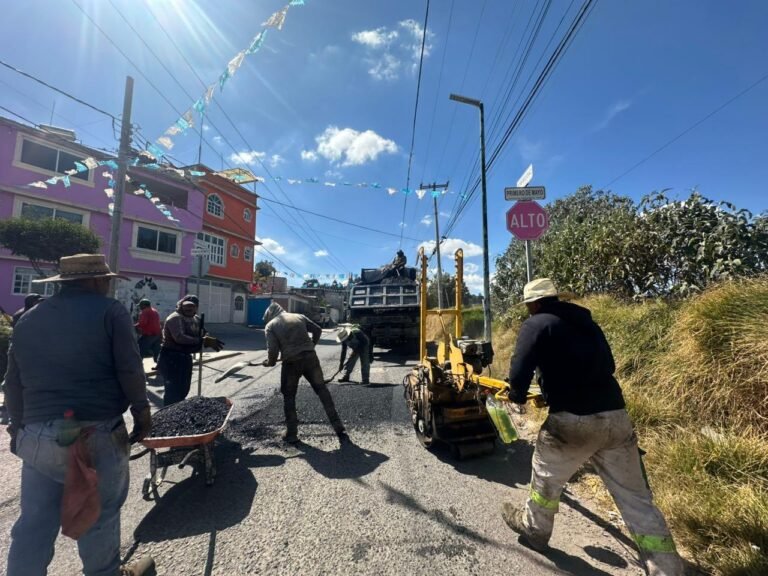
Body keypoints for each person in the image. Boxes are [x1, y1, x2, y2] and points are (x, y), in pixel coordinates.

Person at [500, 278, 682, 576]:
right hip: (615, 417)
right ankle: (667, 568)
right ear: (557, 298)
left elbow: (520, 368)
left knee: (546, 477)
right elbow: (608, 365)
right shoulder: (588, 324)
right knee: (636, 499)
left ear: (533, 303)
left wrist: (517, 394)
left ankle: (535, 531)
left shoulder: (536, 324)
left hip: (573, 422)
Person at [4, 253, 153, 576]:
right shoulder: (111, 312)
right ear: (98, 280)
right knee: (99, 515)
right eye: (106, 281)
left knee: (34, 521)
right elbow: (129, 368)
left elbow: (12, 381)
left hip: (38, 435)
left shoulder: (29, 317)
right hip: (95, 433)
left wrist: (17, 428)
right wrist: (142, 411)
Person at [261, 302, 347, 444]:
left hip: (291, 363)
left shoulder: (271, 326)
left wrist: (269, 362)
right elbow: (318, 330)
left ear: (270, 315)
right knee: (322, 390)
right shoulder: (299, 317)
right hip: (310, 359)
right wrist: (311, 345)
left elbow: (273, 352)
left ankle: (292, 433)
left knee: (289, 396)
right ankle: (338, 426)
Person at [157, 295, 224, 406]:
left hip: (185, 357)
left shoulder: (196, 318)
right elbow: (179, 337)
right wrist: (201, 341)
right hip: (171, 358)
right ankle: (169, 416)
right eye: (187, 306)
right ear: (181, 306)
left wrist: (206, 337)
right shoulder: (175, 318)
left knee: (183, 389)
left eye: (193, 307)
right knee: (173, 392)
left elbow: (204, 332)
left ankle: (178, 414)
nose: (189, 309)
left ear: (196, 307)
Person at [135, 299, 162, 364]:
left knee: (139, 349)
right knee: (156, 352)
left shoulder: (145, 312)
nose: (140, 307)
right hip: (157, 335)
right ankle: (160, 367)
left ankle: (137, 366)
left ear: (144, 305)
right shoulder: (155, 311)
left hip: (148, 335)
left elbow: (143, 323)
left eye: (141, 306)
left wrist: (135, 326)